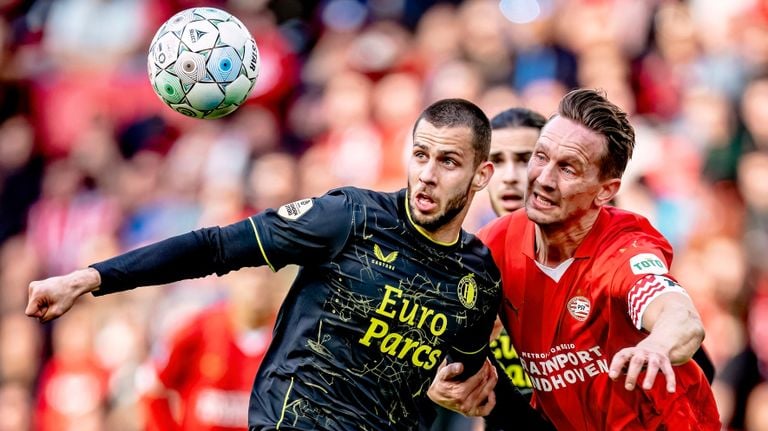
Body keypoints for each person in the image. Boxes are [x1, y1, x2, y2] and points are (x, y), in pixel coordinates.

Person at [25, 99, 550, 431]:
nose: (428, 175)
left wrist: (460, 393)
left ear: (479, 176)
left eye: (449, 162)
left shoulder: (476, 279)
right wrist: (91, 277)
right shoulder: (349, 216)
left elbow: (477, 388)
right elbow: (214, 247)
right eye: (420, 155)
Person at [428, 89, 721, 430]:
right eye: (540, 157)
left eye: (568, 168)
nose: (543, 179)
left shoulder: (623, 248)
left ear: (606, 190)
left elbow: (677, 313)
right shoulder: (494, 245)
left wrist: (656, 345)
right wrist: (442, 377)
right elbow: (447, 335)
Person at [431, 107, 546, 431]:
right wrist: (435, 384)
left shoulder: (595, 257)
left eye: (525, 159)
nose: (510, 175)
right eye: (498, 161)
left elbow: (696, 367)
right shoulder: (464, 267)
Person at [140, 267, 291, 431]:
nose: (257, 283)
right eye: (248, 273)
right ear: (229, 277)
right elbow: (152, 387)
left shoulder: (290, 339)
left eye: (267, 274)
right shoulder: (198, 328)